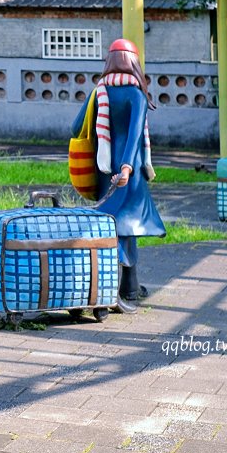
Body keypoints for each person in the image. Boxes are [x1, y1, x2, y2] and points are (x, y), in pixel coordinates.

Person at [72, 38, 165, 314]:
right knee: (121, 227)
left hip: (104, 167)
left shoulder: (99, 91)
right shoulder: (136, 94)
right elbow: (135, 133)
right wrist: (126, 166)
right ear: (134, 63)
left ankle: (130, 287)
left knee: (120, 225)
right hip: (130, 170)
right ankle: (111, 291)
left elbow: (76, 126)